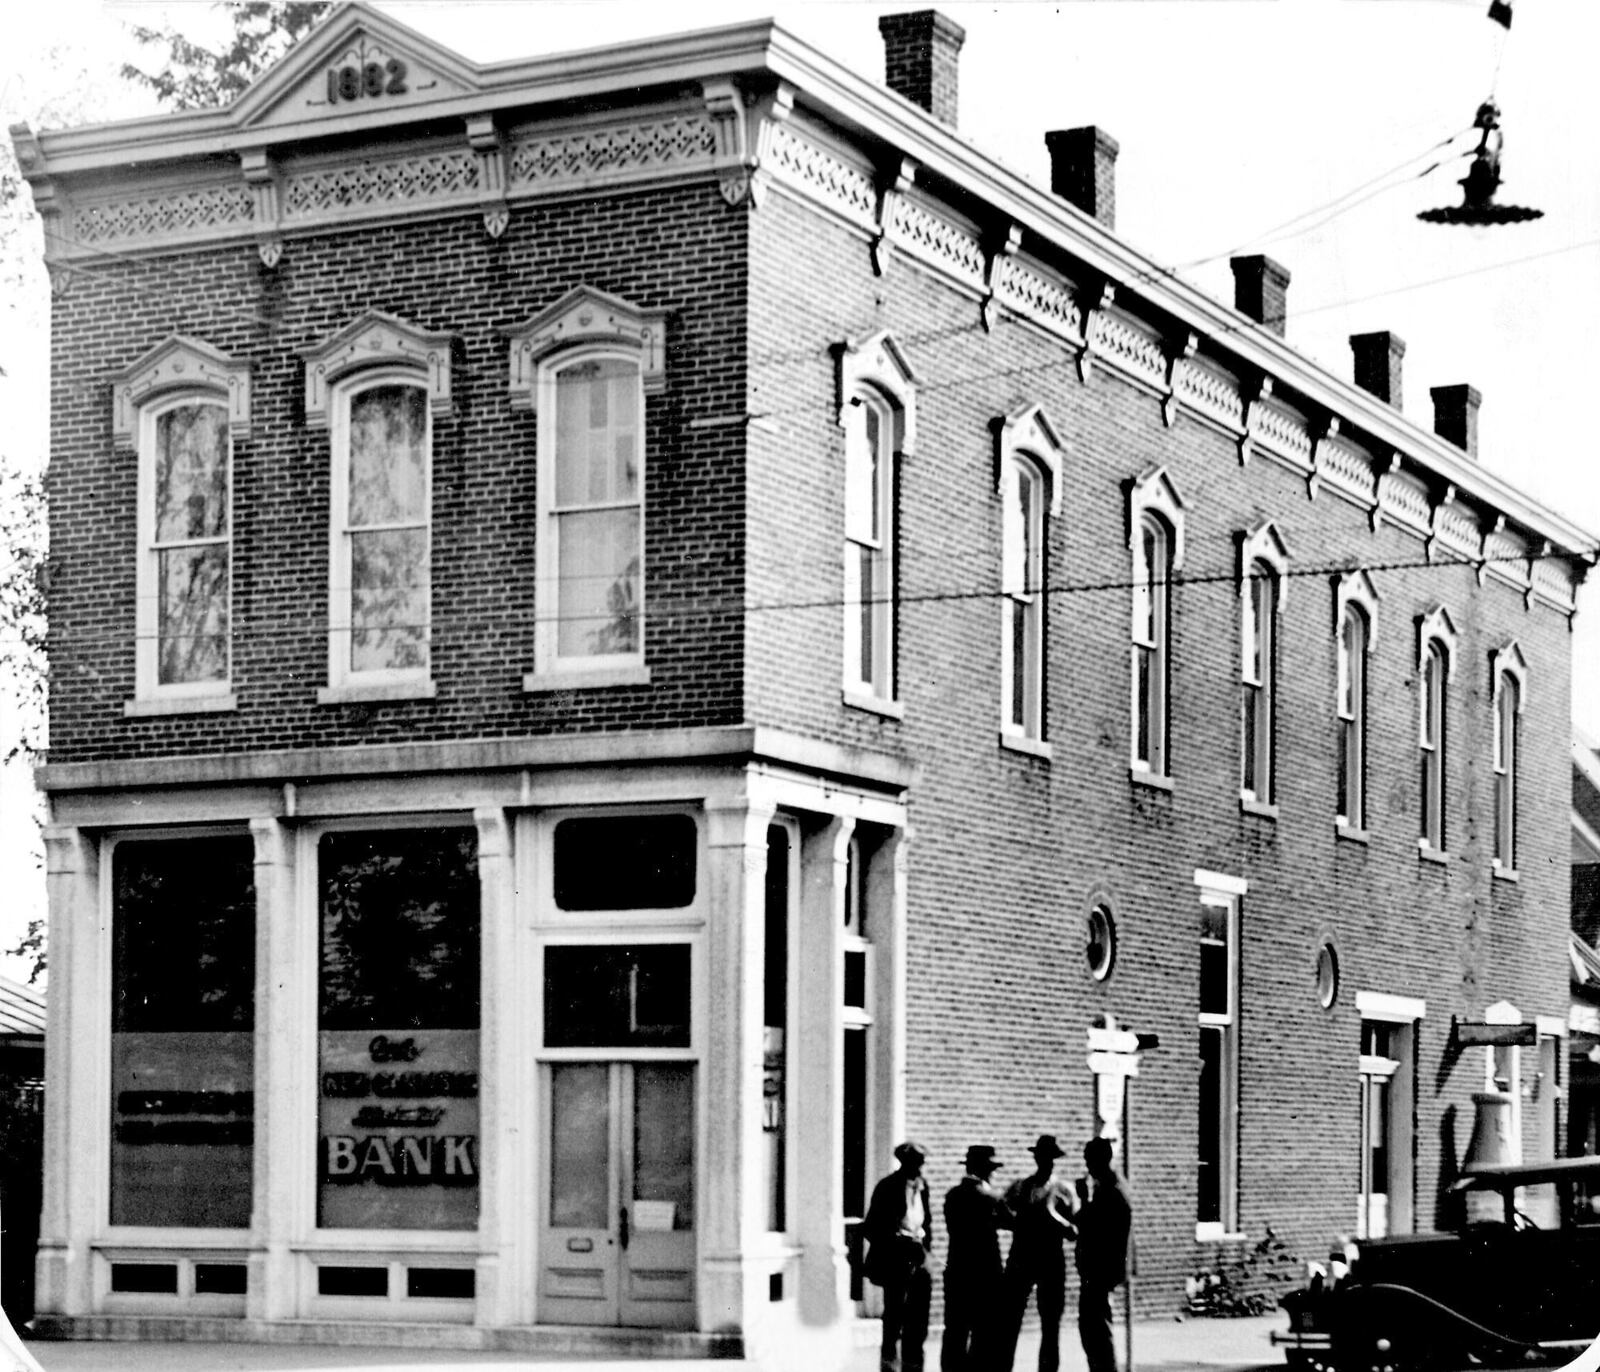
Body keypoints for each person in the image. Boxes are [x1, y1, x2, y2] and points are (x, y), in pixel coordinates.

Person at [999, 1134, 1076, 1372]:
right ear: (1036, 1158)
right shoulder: (1020, 1187)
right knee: (1010, 1322)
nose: (1046, 1162)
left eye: (1050, 1158)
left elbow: (1075, 1230)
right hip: (1021, 1260)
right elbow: (1001, 1215)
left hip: (1051, 1261)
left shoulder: (1064, 1190)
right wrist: (1019, 1221)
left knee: (1050, 1325)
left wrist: (1056, 1219)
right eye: (1042, 1157)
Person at [863, 1141, 935, 1372]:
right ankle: (889, 1366)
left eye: (921, 1164)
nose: (918, 1169)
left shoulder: (923, 1187)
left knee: (918, 1321)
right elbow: (871, 1227)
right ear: (903, 1163)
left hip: (918, 1260)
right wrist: (899, 1241)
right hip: (896, 1262)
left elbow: (928, 1224)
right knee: (894, 1319)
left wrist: (924, 1251)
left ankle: (914, 1367)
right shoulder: (888, 1187)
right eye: (914, 1164)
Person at [940, 1143, 1009, 1372]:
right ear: (987, 1170)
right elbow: (1012, 1221)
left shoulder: (953, 1196)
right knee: (984, 1331)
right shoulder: (990, 1197)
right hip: (985, 1274)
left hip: (958, 1269)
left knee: (955, 1331)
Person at [1073, 1137, 1133, 1372]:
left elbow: (1092, 1225)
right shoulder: (1110, 1186)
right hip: (1098, 1271)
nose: (1087, 1166)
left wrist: (1082, 1200)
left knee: (1095, 1330)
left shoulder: (1111, 1191)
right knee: (1093, 1329)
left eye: (1090, 1161)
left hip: (1100, 1271)